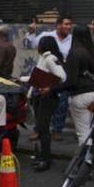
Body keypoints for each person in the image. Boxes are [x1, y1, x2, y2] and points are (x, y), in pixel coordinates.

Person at [57, 25, 94, 147]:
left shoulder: (75, 53)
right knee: (91, 128)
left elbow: (71, 81)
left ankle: (84, 161)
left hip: (81, 96)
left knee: (83, 132)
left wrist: (54, 89)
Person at [26, 16, 73, 140]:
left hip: (60, 76)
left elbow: (63, 75)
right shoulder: (47, 36)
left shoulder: (72, 40)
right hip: (44, 78)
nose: (68, 27)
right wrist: (31, 33)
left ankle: (56, 130)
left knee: (61, 106)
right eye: (66, 24)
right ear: (58, 25)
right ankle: (39, 130)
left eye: (70, 24)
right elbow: (33, 44)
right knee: (39, 108)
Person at [29, 35, 67, 172]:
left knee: (43, 129)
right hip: (40, 97)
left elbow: (62, 77)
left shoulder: (50, 59)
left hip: (48, 98)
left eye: (39, 44)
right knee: (41, 128)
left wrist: (49, 87)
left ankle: (46, 159)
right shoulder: (43, 58)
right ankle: (42, 155)